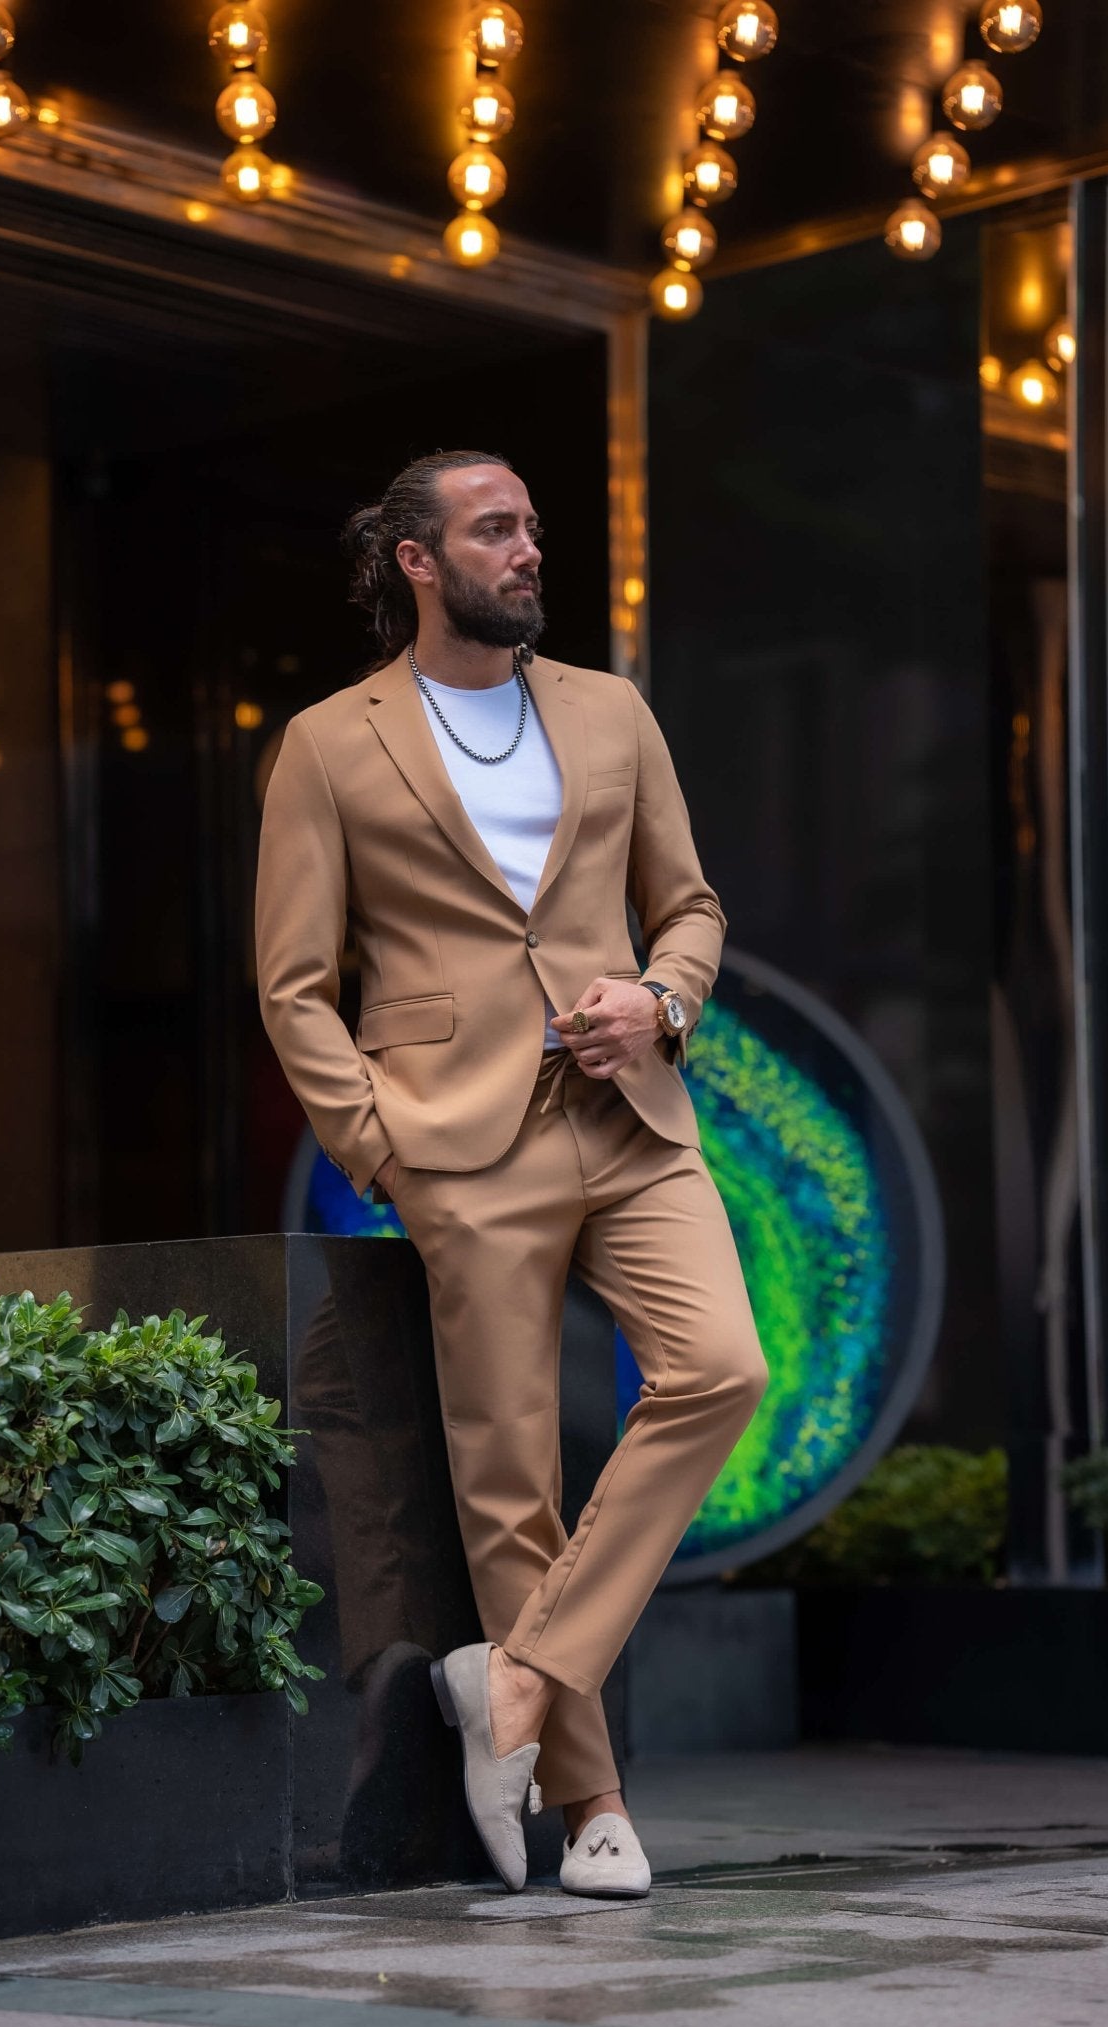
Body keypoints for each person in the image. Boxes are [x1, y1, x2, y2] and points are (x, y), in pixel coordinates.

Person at [255, 449, 768, 1897]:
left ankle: (522, 1678)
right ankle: (595, 1810)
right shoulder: (328, 742)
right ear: (418, 561)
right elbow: (295, 982)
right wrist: (380, 1149)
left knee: (722, 1367)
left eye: (533, 528)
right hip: (456, 1138)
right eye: (495, 531)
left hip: (630, 1116)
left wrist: (660, 1003)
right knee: (510, 1485)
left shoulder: (609, 710)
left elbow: (690, 906)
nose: (528, 551)